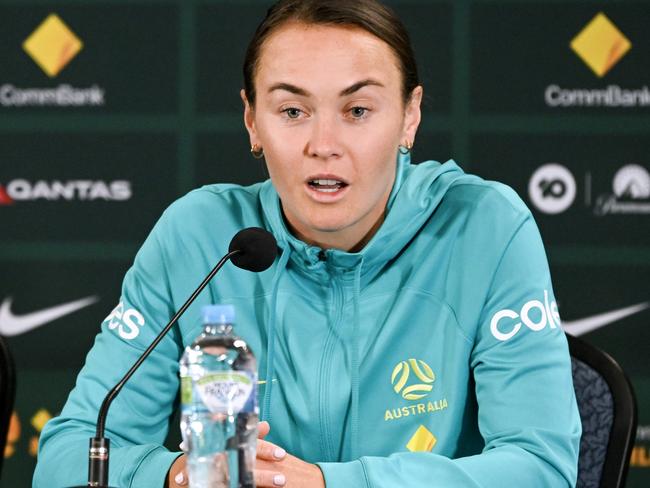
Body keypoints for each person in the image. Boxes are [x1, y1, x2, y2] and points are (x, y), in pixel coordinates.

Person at [33, 0, 581, 487]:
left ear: (409, 117)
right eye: (292, 111)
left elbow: (541, 467)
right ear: (252, 121)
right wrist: (176, 475)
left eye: (358, 111)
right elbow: (65, 458)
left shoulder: (483, 227)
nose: (324, 145)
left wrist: (328, 484)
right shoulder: (198, 236)